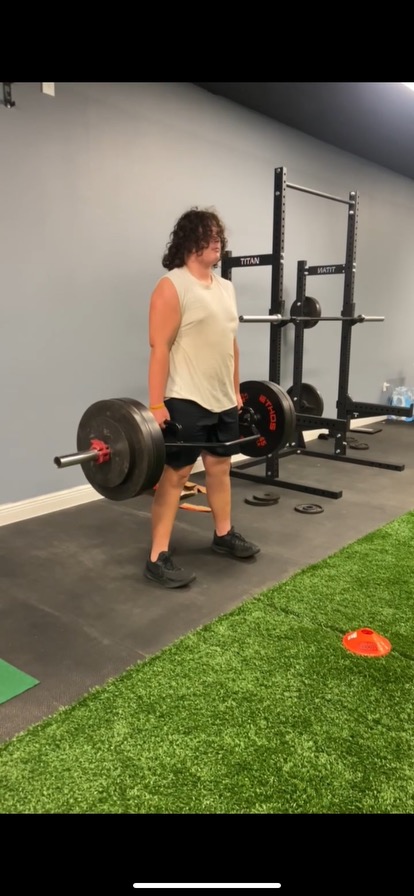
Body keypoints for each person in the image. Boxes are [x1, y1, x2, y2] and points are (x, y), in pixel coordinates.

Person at [144, 207, 260, 588]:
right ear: (188, 241)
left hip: (223, 398)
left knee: (220, 468)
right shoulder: (172, 285)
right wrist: (156, 404)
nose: (217, 242)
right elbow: (159, 347)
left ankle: (223, 534)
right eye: (208, 236)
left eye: (218, 236)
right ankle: (157, 555)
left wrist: (236, 389)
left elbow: (231, 344)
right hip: (185, 398)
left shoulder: (226, 288)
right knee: (176, 474)